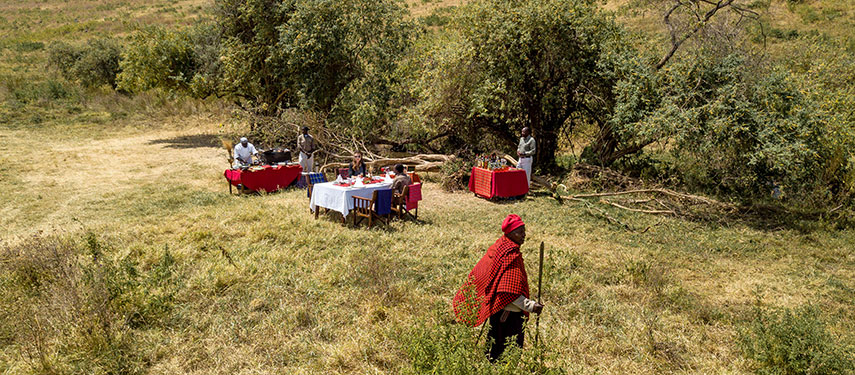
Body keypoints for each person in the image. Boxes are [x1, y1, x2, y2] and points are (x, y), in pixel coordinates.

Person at [452, 214, 544, 362]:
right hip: (509, 317)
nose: (524, 235)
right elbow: (509, 293)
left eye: (524, 231)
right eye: (519, 232)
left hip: (496, 312)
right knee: (506, 354)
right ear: (509, 233)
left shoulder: (500, 246)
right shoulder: (509, 255)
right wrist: (531, 306)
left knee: (494, 349)